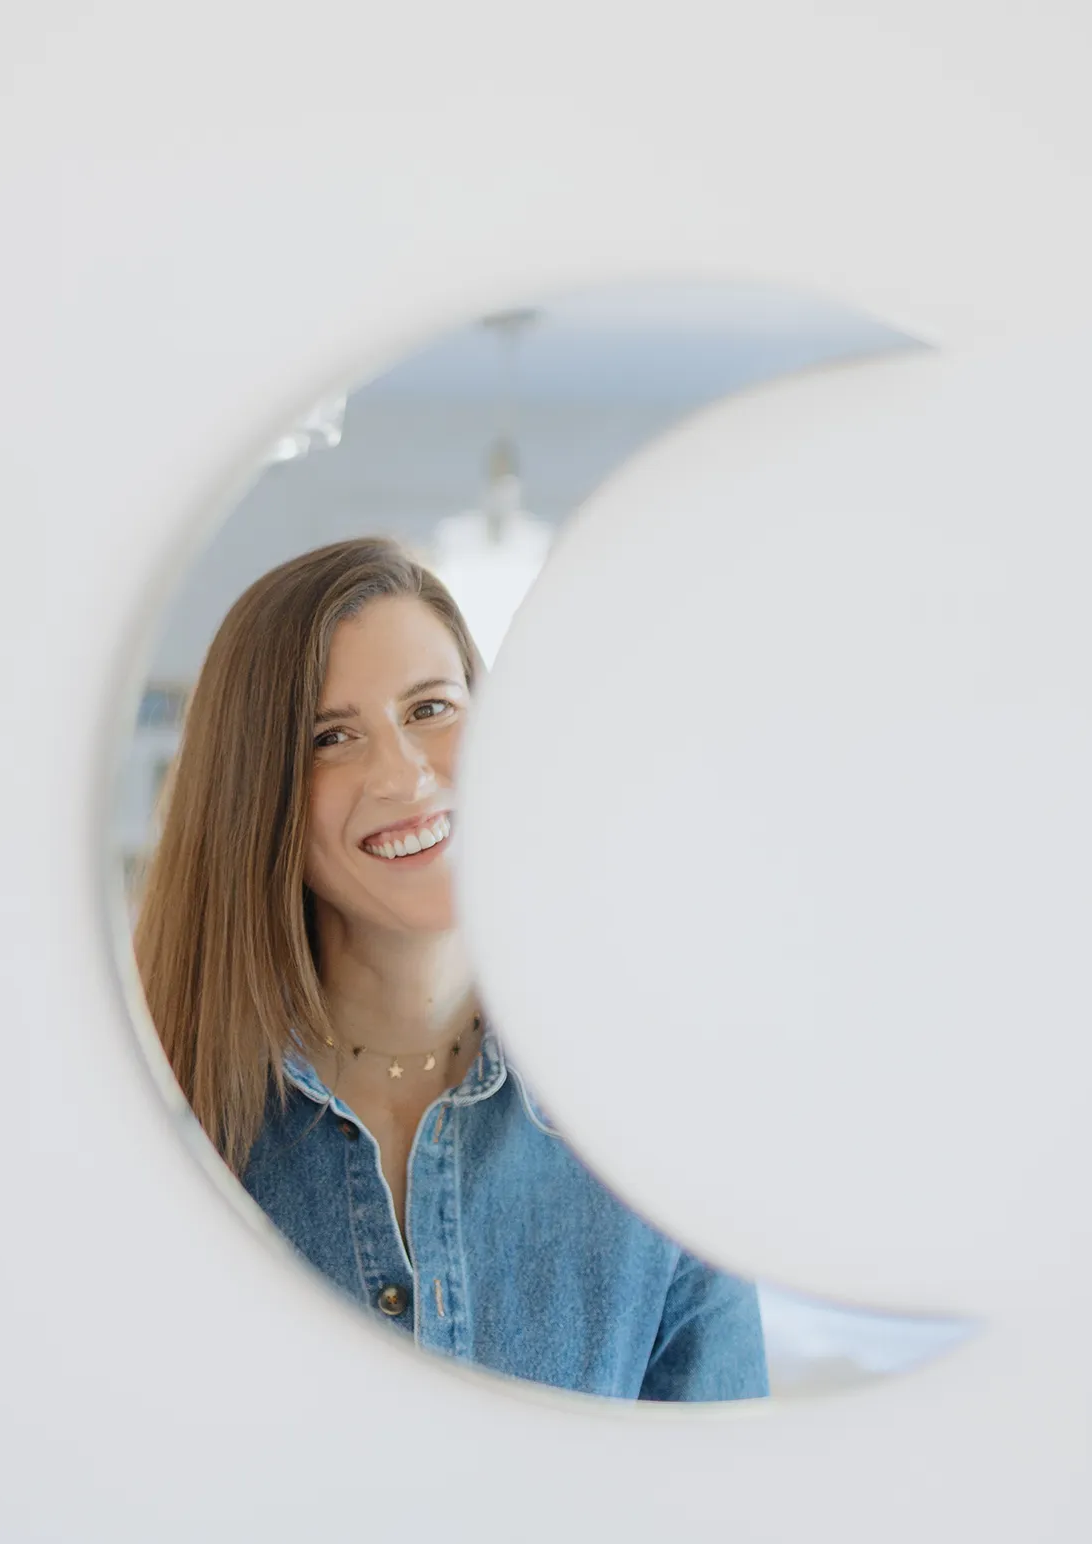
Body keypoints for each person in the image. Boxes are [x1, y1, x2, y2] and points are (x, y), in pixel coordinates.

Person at [133, 537, 768, 1401]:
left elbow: (717, 1469)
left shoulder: (657, 1121)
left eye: (430, 708)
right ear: (255, 796)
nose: (403, 776)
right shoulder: (163, 1123)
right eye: (330, 737)